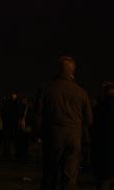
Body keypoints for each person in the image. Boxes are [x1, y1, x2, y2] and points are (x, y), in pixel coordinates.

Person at [37, 56, 93, 190]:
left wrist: (40, 133)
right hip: (74, 136)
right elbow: (89, 119)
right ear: (73, 71)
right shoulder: (81, 92)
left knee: (50, 174)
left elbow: (37, 114)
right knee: (69, 177)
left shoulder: (47, 88)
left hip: (53, 135)